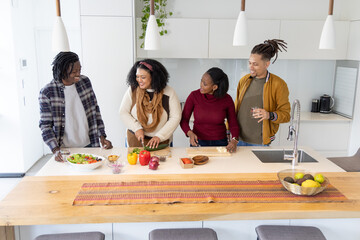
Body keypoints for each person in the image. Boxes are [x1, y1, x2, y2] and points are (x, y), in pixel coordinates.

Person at [39, 51, 112, 162]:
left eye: (79, 69)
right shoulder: (47, 92)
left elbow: (95, 110)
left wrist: (102, 136)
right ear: (63, 71)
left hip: (90, 145)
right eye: (74, 71)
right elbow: (45, 125)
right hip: (65, 150)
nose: (78, 74)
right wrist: (55, 149)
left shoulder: (85, 82)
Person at [235, 39, 291, 146]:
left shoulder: (278, 84)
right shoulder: (244, 81)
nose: (250, 67)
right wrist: (230, 132)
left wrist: (268, 115)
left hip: (260, 142)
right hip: (238, 139)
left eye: (255, 64)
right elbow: (235, 108)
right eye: (249, 63)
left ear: (267, 64)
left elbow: (286, 115)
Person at [119, 59, 181, 149]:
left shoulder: (169, 92)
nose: (139, 80)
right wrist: (136, 128)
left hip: (161, 141)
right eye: (137, 76)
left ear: (154, 77)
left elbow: (175, 117)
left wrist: (159, 136)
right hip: (135, 140)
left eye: (143, 77)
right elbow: (123, 112)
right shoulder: (132, 90)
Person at [180, 67, 240, 152]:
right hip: (198, 142)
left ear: (214, 87)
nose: (201, 85)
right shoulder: (194, 96)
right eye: (201, 81)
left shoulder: (227, 99)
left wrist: (234, 140)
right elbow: (184, 120)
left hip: (220, 143)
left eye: (205, 84)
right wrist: (190, 133)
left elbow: (233, 123)